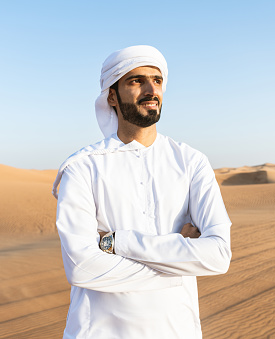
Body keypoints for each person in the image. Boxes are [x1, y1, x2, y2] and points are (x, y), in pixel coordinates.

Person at [52, 45, 232, 339]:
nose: (151, 90)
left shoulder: (191, 162)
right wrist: (178, 260)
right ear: (112, 96)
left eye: (157, 80)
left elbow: (218, 256)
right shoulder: (82, 167)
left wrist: (117, 242)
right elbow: (82, 268)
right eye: (136, 80)